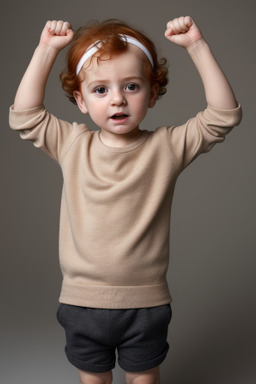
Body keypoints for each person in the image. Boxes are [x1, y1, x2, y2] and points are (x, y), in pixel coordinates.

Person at [9, 16, 242, 384]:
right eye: (100, 90)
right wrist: (45, 51)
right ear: (80, 100)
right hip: (82, 302)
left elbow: (223, 116)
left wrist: (197, 47)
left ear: (151, 93)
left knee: (144, 379)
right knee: (93, 380)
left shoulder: (165, 147)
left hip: (146, 304)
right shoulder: (73, 145)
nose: (117, 98)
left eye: (131, 86)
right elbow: (24, 117)